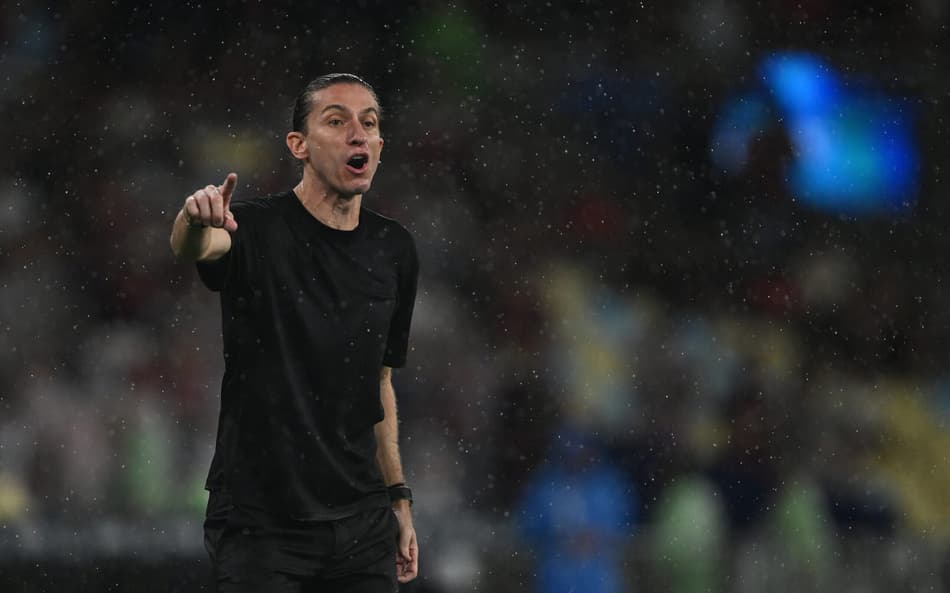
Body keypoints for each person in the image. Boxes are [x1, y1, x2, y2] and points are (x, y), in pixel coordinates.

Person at [169, 73, 419, 592]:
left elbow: (380, 381)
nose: (358, 134)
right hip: (263, 523)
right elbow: (198, 247)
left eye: (369, 124)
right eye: (337, 120)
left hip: (361, 524)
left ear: (379, 146)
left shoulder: (394, 250)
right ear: (298, 146)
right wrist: (195, 218)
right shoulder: (254, 229)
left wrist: (398, 498)